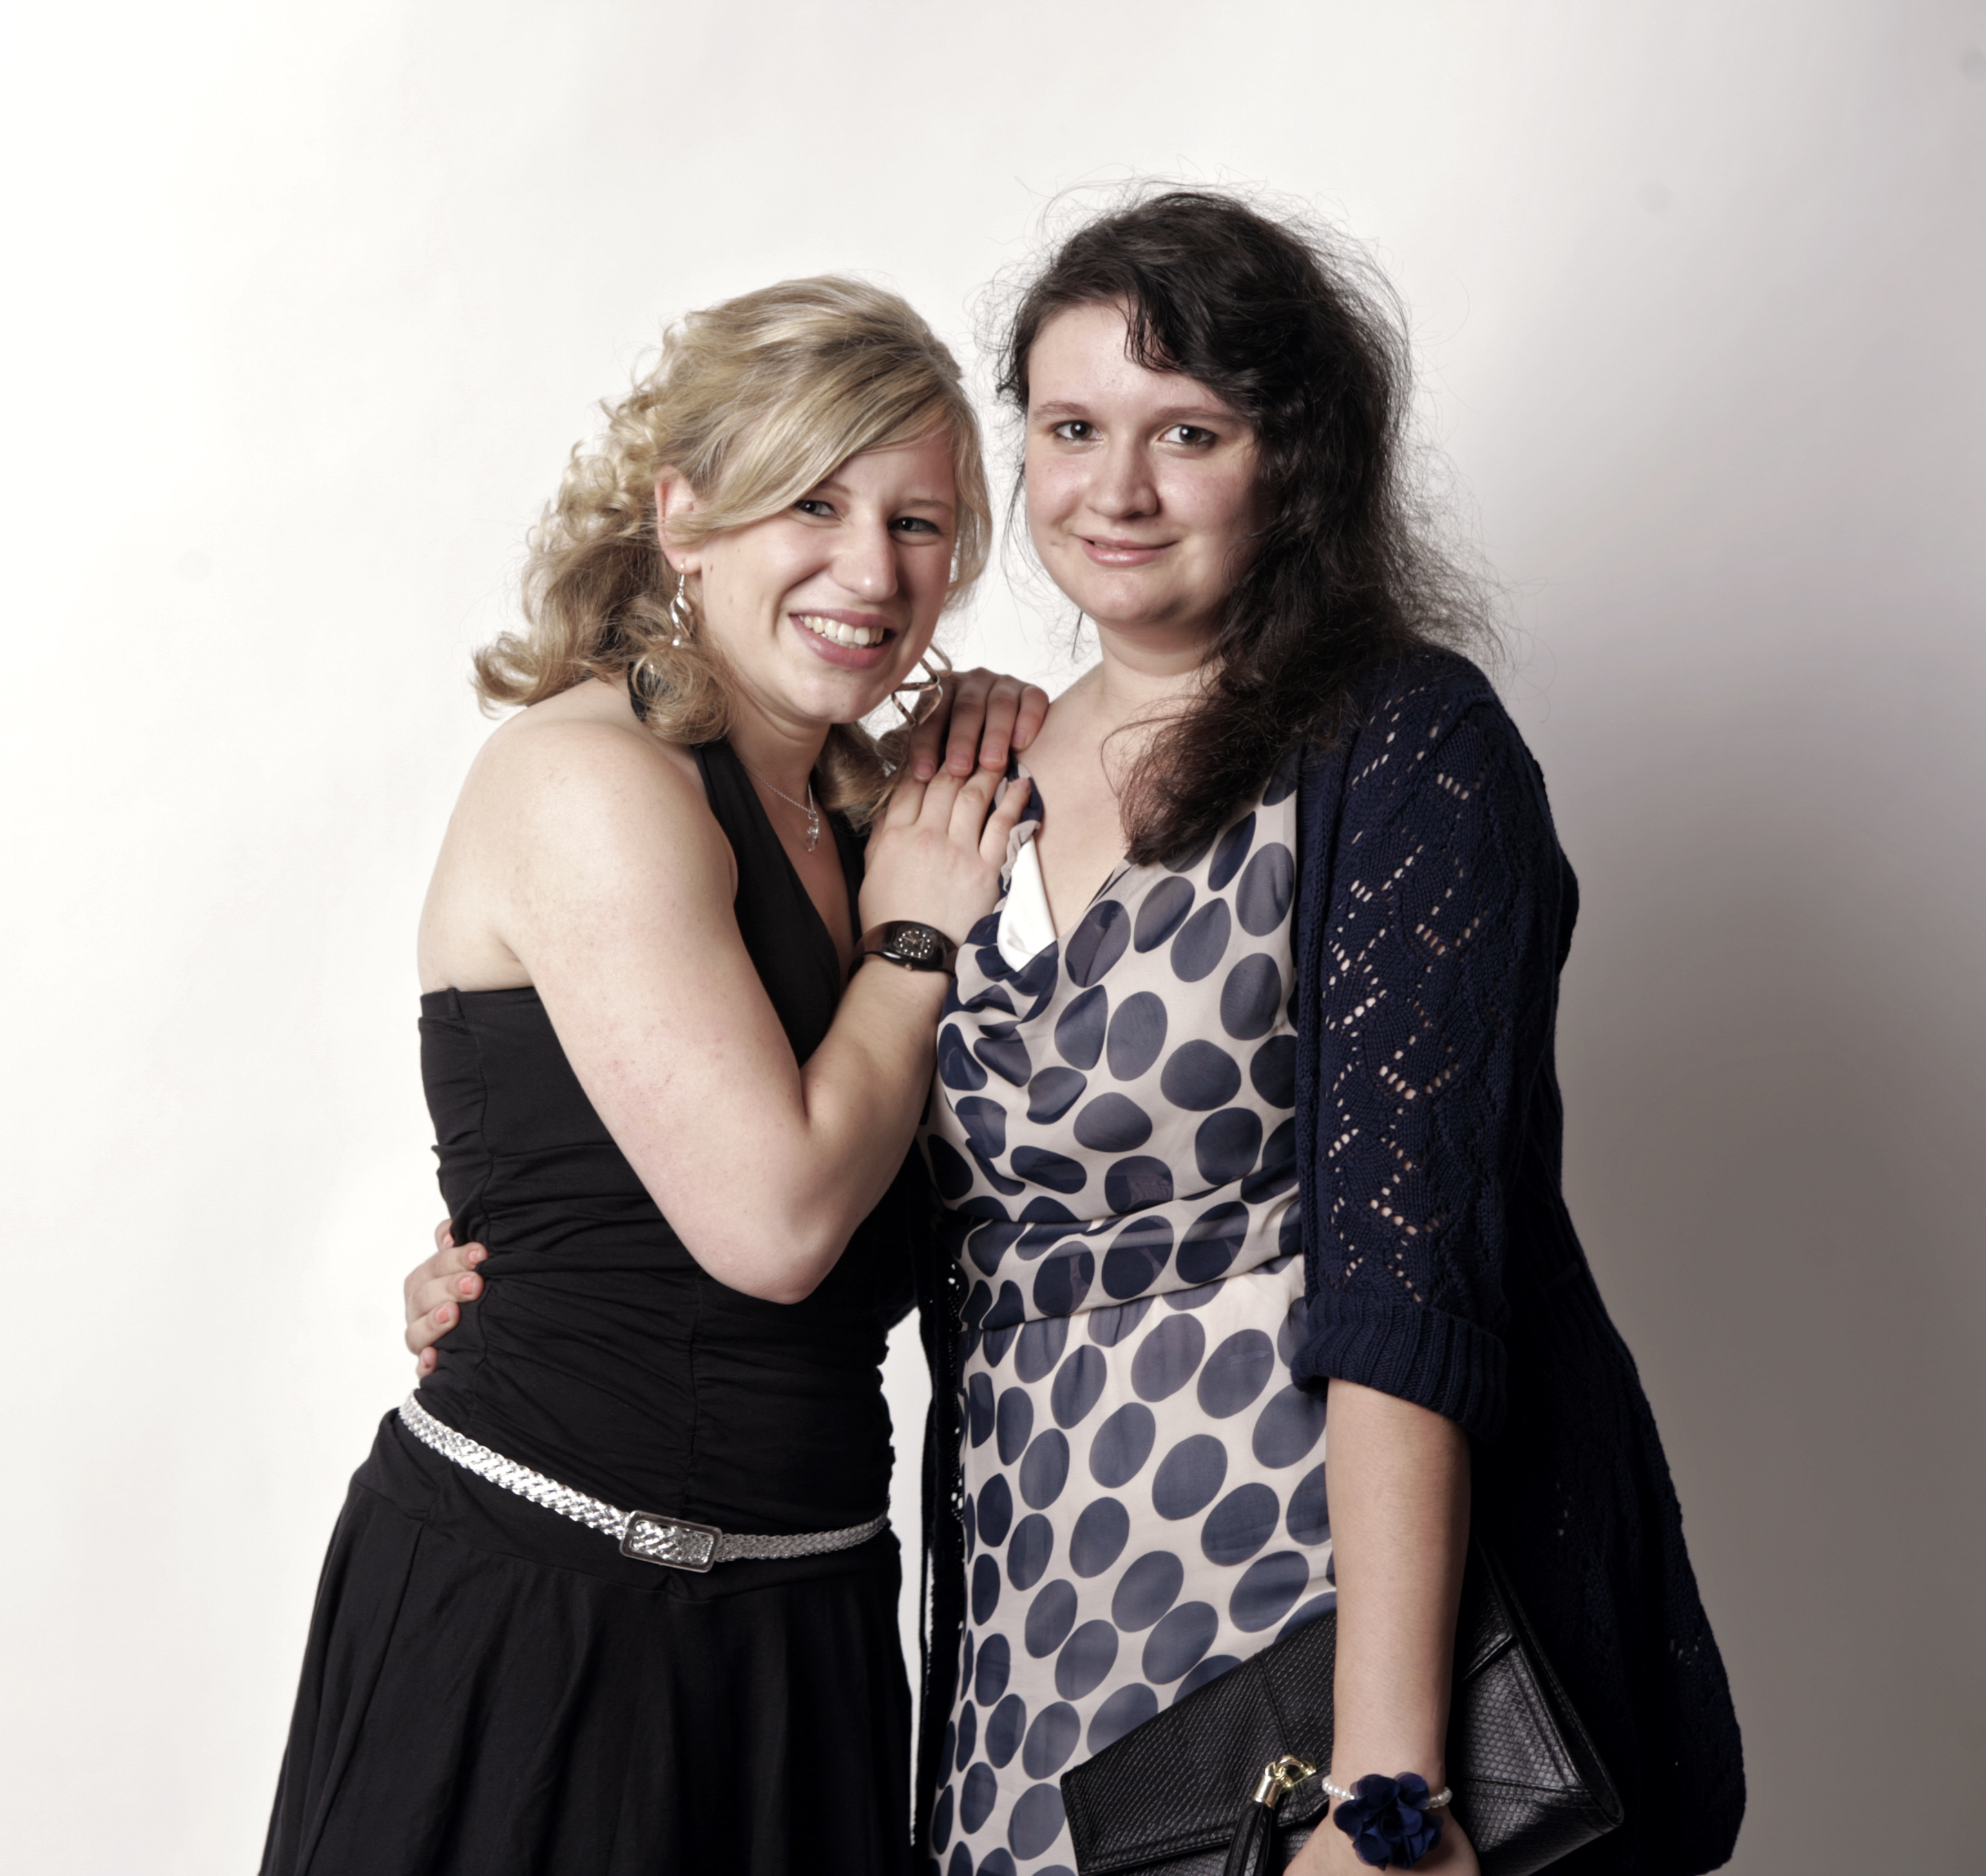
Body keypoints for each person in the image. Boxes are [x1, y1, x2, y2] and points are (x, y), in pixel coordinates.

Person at [409, 191, 1746, 1876]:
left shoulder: (1401, 753)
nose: (1118, 490)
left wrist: (1392, 1783)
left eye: (1186, 431)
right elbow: (822, 1162)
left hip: (1309, 1632)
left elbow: (1414, 1285)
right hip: (1025, 1651)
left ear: (1294, 462)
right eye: (1070, 429)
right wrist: (515, 1258)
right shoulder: (956, 786)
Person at [262, 275, 1051, 1876]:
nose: (872, 569)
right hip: (539, 1617)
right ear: (685, 516)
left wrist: (1001, 776)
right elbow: (774, 1224)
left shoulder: (870, 814)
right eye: (812, 501)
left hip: (810, 1635)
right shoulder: (589, 775)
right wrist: (914, 941)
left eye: (918, 522)